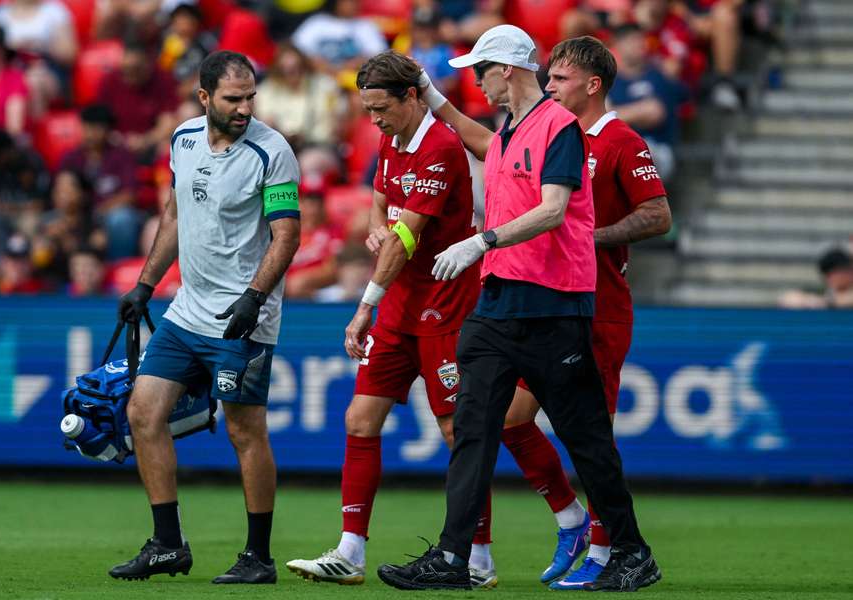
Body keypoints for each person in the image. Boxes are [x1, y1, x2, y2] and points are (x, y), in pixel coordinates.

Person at [377, 25, 659, 592]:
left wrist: (481, 241)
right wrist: (428, 91)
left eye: (480, 70)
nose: (475, 82)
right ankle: (455, 557)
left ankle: (631, 550)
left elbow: (553, 210)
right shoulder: (512, 130)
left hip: (554, 305)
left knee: (585, 438)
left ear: (506, 70)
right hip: (501, 302)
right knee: (473, 428)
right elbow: (473, 137)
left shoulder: (557, 127)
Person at [285, 50, 499, 588]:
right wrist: (377, 225)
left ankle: (478, 557)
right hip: (401, 304)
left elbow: (409, 235)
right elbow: (383, 207)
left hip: (445, 304)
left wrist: (363, 305)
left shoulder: (442, 148)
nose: (374, 119)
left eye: (381, 107)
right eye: (367, 110)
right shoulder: (391, 137)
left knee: (456, 432)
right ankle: (350, 551)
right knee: (360, 420)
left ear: (411, 97)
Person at [108, 50, 301, 585]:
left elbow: (287, 235)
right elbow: (175, 215)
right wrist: (146, 284)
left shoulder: (272, 151)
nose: (244, 108)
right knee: (143, 414)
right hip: (186, 311)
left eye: (250, 98)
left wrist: (254, 297)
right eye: (233, 99)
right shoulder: (183, 139)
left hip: (243, 318)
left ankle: (258, 558)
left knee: (244, 431)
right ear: (204, 98)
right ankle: (167, 545)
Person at [505, 35, 672, 590]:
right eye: (547, 77)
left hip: (599, 309)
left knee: (591, 435)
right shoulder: (556, 135)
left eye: (559, 78)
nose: (548, 86)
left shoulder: (621, 140)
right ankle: (573, 521)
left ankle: (608, 549)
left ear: (593, 85)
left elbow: (657, 215)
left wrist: (589, 236)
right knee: (508, 416)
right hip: (548, 303)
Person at [59, 104, 142, 259]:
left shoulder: (122, 156)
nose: (90, 134)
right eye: (86, 128)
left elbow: (130, 195)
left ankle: (118, 266)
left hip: (108, 217)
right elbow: (61, 191)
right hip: (79, 217)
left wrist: (99, 213)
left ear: (108, 130)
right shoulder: (71, 158)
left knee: (122, 218)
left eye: (96, 129)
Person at [608, 23, 687, 181]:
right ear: (618, 45)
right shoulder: (610, 82)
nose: (638, 45)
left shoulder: (659, 75)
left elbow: (654, 112)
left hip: (656, 148)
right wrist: (634, 114)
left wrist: (612, 116)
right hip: (619, 149)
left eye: (640, 40)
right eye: (631, 40)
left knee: (634, 155)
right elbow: (597, 120)